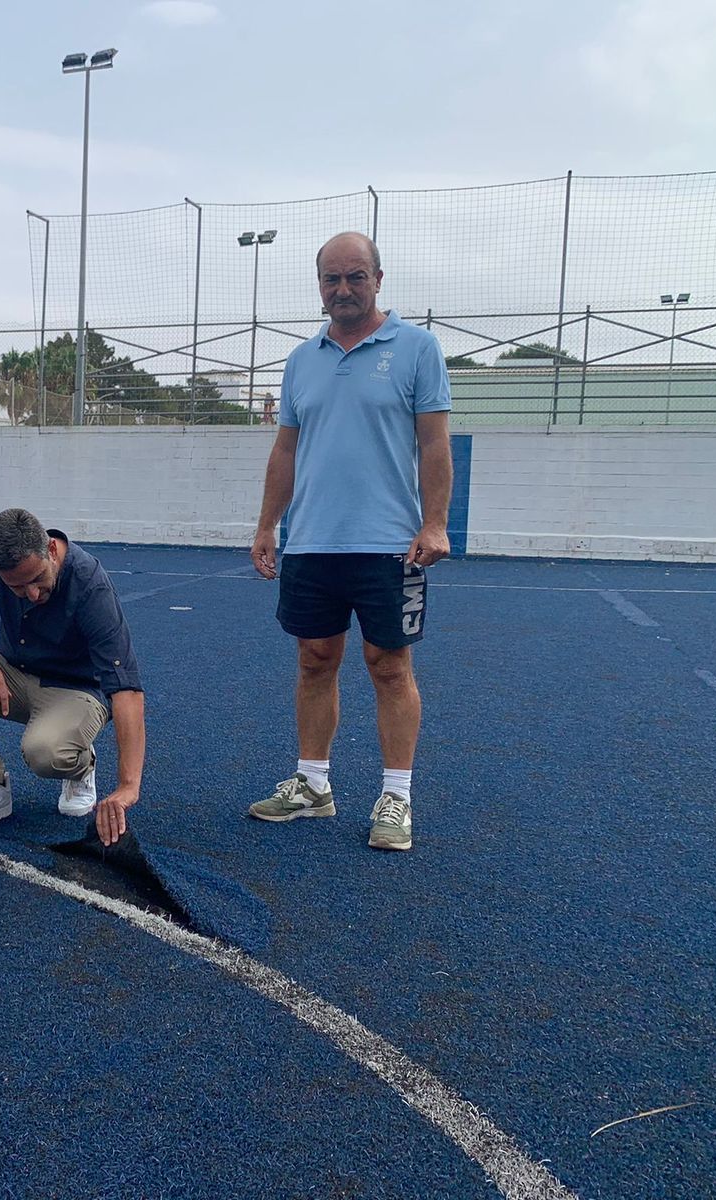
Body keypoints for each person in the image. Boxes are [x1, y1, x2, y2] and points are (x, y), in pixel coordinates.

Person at [247, 232, 453, 852]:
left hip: (390, 544)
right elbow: (286, 449)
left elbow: (434, 444)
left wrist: (435, 523)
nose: (343, 289)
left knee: (389, 666)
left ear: (378, 279)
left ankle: (396, 796)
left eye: (355, 276)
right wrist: (267, 525)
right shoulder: (301, 360)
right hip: (312, 542)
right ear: (319, 285)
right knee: (315, 660)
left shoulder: (417, 349)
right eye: (331, 278)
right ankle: (313, 785)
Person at [0, 508, 145, 846]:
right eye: (17, 587)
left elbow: (127, 690)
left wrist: (127, 787)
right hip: (15, 678)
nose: (33, 594)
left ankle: (82, 765)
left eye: (37, 579)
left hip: (77, 691)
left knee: (45, 753)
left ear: (51, 549)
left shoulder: (90, 585)